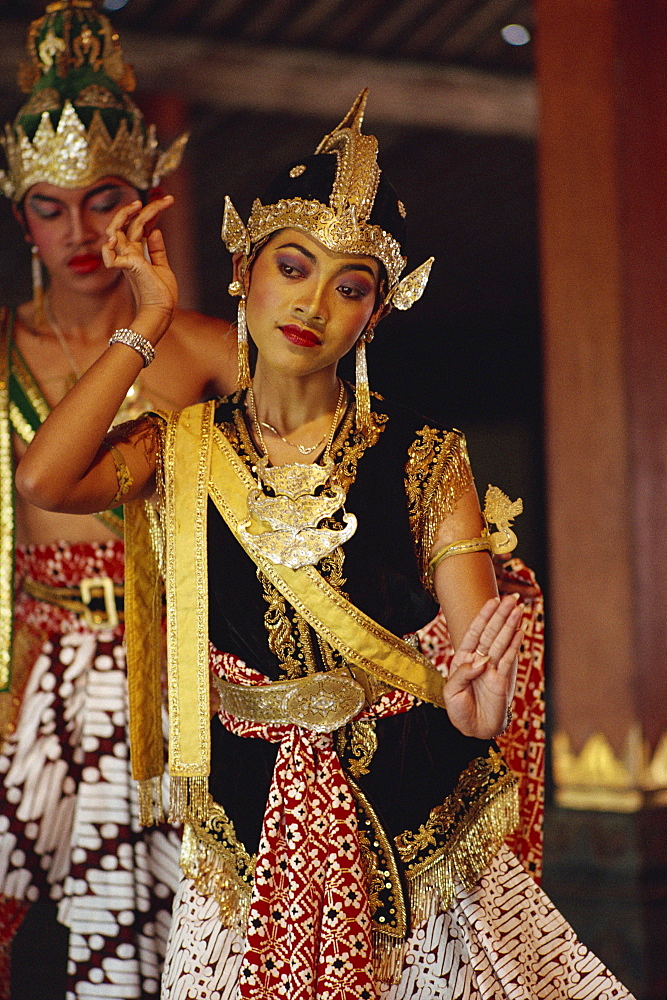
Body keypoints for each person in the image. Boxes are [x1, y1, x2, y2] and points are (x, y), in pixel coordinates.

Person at [16, 92, 633, 1000]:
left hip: (414, 832)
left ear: (375, 317)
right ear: (243, 273)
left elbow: (471, 697)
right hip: (245, 829)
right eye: (292, 267)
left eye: (348, 287)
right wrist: (145, 320)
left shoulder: (427, 458)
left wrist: (482, 701)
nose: (310, 302)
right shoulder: (180, 445)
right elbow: (42, 482)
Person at [0, 3, 236, 997]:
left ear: (146, 198)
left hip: (176, 679)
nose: (81, 231)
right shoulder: (3, 347)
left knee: (158, 947)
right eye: (50, 206)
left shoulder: (210, 347)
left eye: (104, 200)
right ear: (22, 218)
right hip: (27, 660)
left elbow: (332, 446)